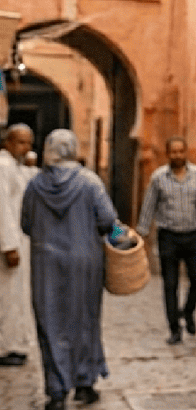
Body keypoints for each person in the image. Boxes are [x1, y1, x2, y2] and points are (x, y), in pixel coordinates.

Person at [21, 129, 116, 409]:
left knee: (50, 323)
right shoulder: (90, 182)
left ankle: (57, 390)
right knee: (84, 319)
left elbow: (26, 224)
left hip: (46, 264)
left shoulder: (35, 184)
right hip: (83, 263)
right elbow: (108, 219)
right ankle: (85, 383)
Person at [136, 136, 196, 345]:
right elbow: (149, 206)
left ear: (186, 152)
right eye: (173, 152)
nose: (177, 155)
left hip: (193, 234)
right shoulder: (158, 178)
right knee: (170, 285)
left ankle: (188, 311)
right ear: (168, 154)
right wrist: (142, 232)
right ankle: (175, 328)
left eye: (180, 152)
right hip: (168, 236)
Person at [0, 124, 36, 367]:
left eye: (29, 143)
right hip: (8, 243)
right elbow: (1, 208)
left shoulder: (14, 166)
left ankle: (13, 344)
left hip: (16, 240)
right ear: (8, 142)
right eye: (21, 142)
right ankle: (6, 346)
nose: (26, 148)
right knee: (6, 296)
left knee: (14, 296)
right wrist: (9, 245)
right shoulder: (3, 166)